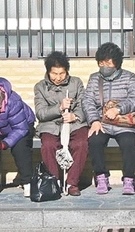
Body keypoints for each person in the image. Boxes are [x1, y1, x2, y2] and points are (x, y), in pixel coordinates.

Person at [82, 42, 135, 195]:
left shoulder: (129, 77)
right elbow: (87, 100)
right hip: (102, 123)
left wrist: (118, 109)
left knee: (129, 143)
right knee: (94, 141)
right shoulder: (94, 78)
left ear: (116, 62)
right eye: (101, 63)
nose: (104, 66)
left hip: (123, 123)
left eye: (108, 62)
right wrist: (94, 120)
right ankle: (101, 177)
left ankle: (129, 179)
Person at [33, 51, 89, 197]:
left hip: (75, 123)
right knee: (49, 146)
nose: (58, 78)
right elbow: (41, 113)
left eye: (62, 74)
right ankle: (55, 181)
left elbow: (84, 105)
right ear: (48, 72)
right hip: (51, 125)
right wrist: (59, 108)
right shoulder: (40, 87)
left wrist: (75, 116)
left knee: (81, 144)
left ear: (67, 71)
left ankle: (72, 182)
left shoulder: (76, 83)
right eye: (54, 74)